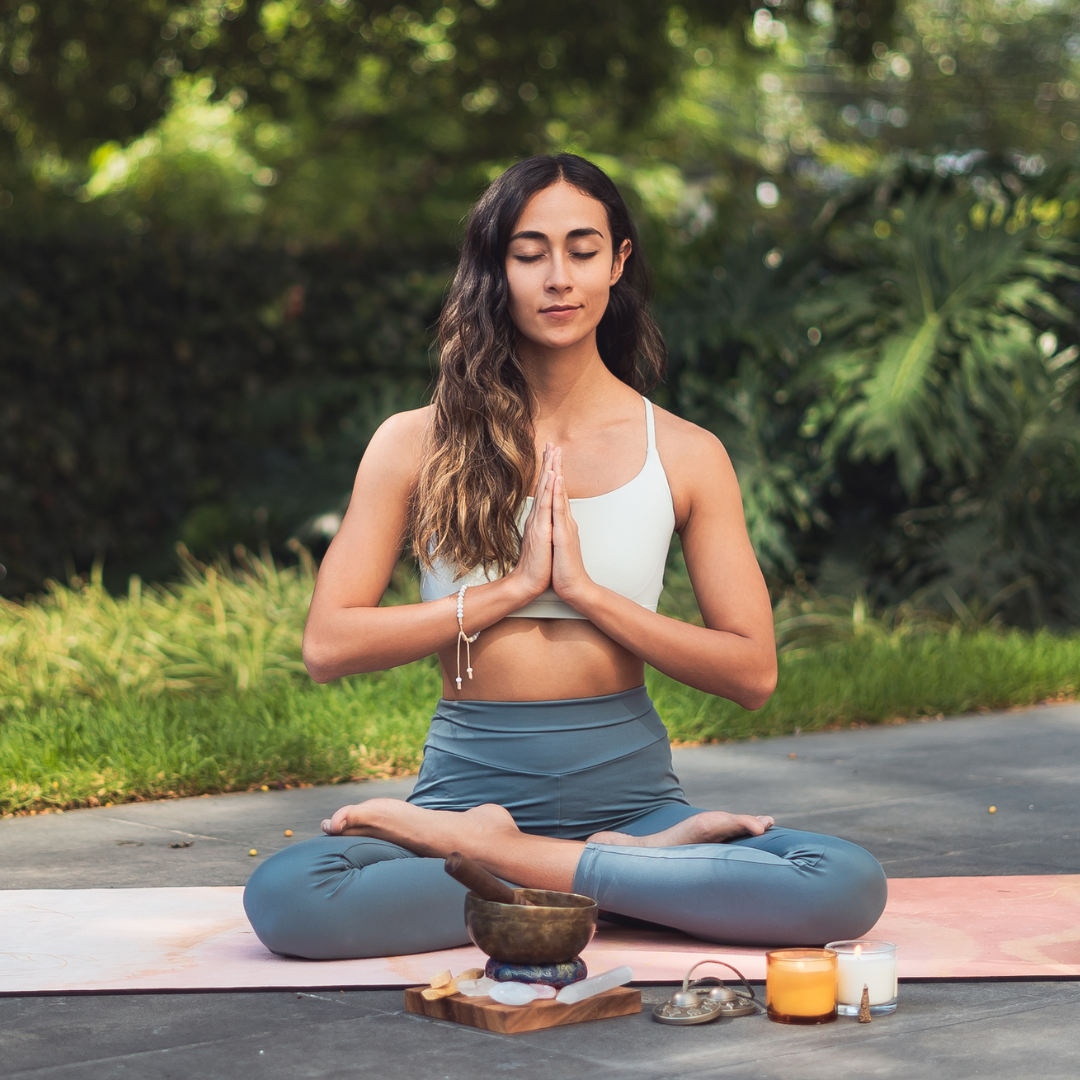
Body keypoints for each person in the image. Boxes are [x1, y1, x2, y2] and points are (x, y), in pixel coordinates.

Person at [244, 154, 886, 960]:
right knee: (290, 899)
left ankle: (519, 864)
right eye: (529, 252)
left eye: (583, 250)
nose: (558, 277)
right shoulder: (415, 443)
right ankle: (635, 881)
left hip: (633, 799)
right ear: (496, 268)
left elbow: (752, 674)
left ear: (617, 263)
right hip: (465, 790)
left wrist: (587, 593)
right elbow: (329, 646)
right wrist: (510, 590)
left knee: (845, 881)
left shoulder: (685, 453)